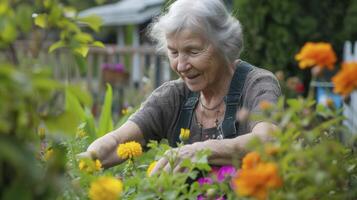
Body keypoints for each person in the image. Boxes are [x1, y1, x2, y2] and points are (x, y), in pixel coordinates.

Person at [81, 0, 281, 175]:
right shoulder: (172, 97)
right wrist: (87, 158)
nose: (181, 65)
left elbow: (266, 141)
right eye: (174, 52)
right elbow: (118, 142)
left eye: (193, 51)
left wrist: (198, 151)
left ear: (225, 46)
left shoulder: (257, 84)